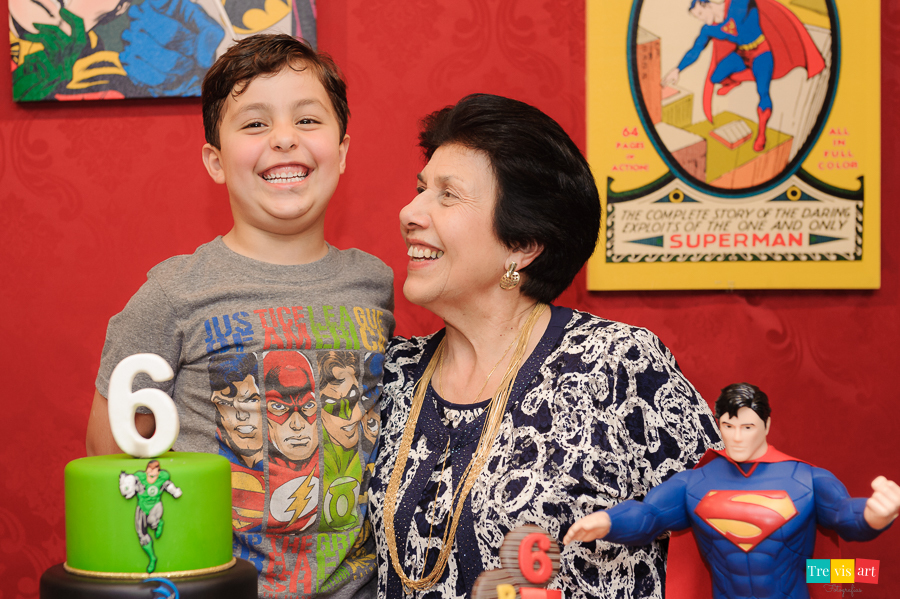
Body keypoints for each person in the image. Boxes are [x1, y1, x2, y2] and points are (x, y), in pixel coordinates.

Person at [367, 94, 721, 599]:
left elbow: (729, 533)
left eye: (447, 195)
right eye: (421, 188)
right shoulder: (392, 374)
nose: (409, 211)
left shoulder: (617, 366)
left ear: (522, 244)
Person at [85, 34, 395, 598]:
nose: (283, 139)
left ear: (344, 150)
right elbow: (111, 452)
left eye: (307, 121)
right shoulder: (174, 293)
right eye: (254, 125)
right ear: (215, 160)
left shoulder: (374, 284)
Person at [564, 383, 900, 599]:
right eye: (728, 426)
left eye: (748, 426)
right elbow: (649, 515)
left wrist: (874, 514)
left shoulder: (807, 479)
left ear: (766, 426)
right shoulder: (694, 483)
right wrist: (607, 522)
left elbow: (844, 515)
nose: (737, 437)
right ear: (719, 424)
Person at [662, 0, 824, 152]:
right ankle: (734, 82)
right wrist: (678, 69)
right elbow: (695, 50)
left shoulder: (737, 3)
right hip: (741, 54)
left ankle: (761, 133)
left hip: (761, 52)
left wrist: (719, 29)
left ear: (706, 5)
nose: (700, 19)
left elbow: (734, 24)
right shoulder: (708, 29)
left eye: (700, 14)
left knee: (763, 92)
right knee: (716, 77)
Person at [118, 459, 183, 574]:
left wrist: (175, 491)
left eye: (155, 470)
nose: (152, 473)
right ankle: (152, 558)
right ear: (146, 470)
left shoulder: (161, 480)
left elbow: (169, 487)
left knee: (152, 520)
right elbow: (129, 484)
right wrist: (125, 483)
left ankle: (158, 524)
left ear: (158, 472)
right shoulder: (140, 479)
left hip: (155, 506)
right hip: (142, 508)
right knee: (141, 534)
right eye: (149, 469)